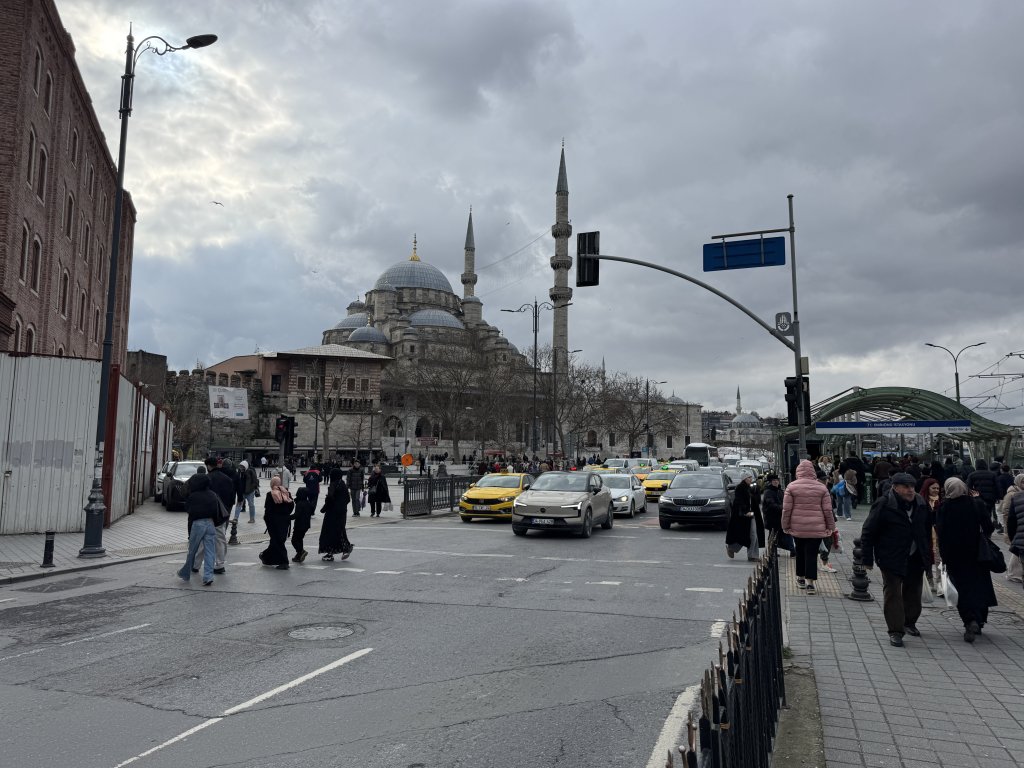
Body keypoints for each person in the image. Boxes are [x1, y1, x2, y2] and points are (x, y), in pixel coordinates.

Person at [860, 472, 932, 647]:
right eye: (906, 487)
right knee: (893, 593)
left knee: (913, 592)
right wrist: (867, 559)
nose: (910, 490)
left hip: (915, 556)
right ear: (895, 487)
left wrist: (929, 557)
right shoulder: (884, 504)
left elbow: (926, 532)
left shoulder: (921, 504)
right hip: (891, 556)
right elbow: (868, 532)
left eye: (912, 487)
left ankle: (909, 622)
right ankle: (895, 631)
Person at [935, 477, 997, 642]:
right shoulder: (975, 504)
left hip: (954, 555)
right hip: (977, 554)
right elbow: (989, 527)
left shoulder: (944, 507)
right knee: (979, 585)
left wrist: (943, 555)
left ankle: (969, 620)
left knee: (961, 588)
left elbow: (940, 532)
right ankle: (980, 619)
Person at [782, 459, 834, 596]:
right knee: (812, 553)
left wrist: (785, 525)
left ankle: (800, 578)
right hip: (817, 527)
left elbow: (786, 510)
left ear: (798, 472)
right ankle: (811, 583)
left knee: (800, 551)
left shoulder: (791, 487)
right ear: (813, 473)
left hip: (797, 527)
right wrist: (830, 527)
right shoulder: (822, 488)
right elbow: (828, 511)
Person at [177, 470, 220, 586]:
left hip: (198, 524)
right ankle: (208, 576)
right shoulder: (212, 495)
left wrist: (190, 532)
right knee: (210, 551)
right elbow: (216, 512)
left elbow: (189, 513)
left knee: (192, 551)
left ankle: (186, 573)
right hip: (210, 524)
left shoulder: (193, 496)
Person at [726, 474, 764, 560]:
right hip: (743, 515)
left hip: (752, 514)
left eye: (751, 477)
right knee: (745, 535)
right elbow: (739, 501)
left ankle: (752, 555)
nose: (751, 479)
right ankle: (732, 548)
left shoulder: (750, 488)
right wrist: (745, 511)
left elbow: (756, 500)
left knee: (753, 535)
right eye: (748, 478)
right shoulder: (740, 488)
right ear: (744, 479)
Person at [259, 476, 294, 569]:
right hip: (285, 520)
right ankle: (267, 558)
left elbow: (268, 509)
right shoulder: (287, 493)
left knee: (277, 541)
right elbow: (291, 506)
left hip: (274, 522)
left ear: (272, 484)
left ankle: (284, 562)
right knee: (278, 541)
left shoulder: (270, 494)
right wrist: (286, 514)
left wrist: (267, 520)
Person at [319, 468, 353, 561]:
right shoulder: (342, 484)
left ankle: (330, 553)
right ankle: (346, 547)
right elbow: (348, 499)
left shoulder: (333, 484)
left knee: (329, 532)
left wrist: (324, 508)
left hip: (332, 512)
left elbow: (330, 497)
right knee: (340, 530)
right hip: (342, 512)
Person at [761, 473, 793, 555]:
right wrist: (782, 507)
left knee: (780, 535)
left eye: (777, 480)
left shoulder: (780, 491)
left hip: (780, 517)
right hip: (772, 518)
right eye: (774, 481)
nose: (776, 482)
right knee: (774, 535)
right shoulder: (768, 492)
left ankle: (788, 550)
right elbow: (771, 504)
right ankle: (773, 552)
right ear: (770, 482)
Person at [968, 459, 1001, 533]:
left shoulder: (972, 475)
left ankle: (979, 530)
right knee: (988, 513)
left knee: (978, 513)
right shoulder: (992, 474)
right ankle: (987, 531)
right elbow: (997, 486)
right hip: (990, 498)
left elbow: (968, 487)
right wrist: (999, 496)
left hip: (977, 498)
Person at [291, 487, 315, 563]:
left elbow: (296, 515)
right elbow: (311, 511)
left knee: (294, 540)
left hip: (299, 525)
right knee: (299, 539)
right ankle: (298, 556)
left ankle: (301, 551)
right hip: (306, 525)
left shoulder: (300, 503)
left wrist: (287, 517)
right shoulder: (308, 503)